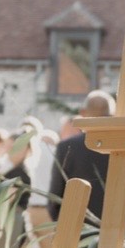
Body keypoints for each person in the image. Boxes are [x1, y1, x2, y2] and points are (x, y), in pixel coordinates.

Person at [49, 89, 114, 229]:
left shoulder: (66, 147)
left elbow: (56, 190)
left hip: (71, 225)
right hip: (110, 226)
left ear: (83, 113)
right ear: (111, 116)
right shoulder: (120, 150)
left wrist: (58, 220)